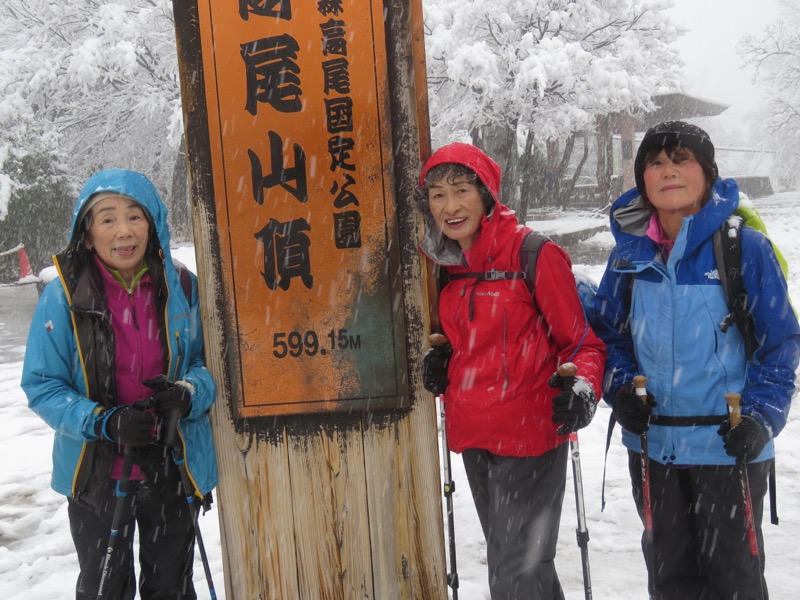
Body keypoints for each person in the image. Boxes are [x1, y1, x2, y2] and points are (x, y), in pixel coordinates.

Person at [593, 120, 800, 599]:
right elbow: (608, 334)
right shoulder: (630, 254)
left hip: (728, 448)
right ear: (642, 177)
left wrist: (760, 418)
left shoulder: (743, 248)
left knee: (735, 582)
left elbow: (780, 342)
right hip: (653, 448)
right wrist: (621, 389)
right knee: (670, 579)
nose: (668, 171)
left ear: (707, 172)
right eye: (656, 162)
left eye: (680, 159)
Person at [417, 142, 606, 599]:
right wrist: (444, 363)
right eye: (438, 194)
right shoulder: (447, 265)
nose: (450, 205)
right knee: (519, 563)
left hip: (532, 435)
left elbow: (583, 343)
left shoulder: (533, 254)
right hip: (475, 437)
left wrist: (582, 386)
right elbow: (466, 341)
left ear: (487, 195)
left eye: (462, 190)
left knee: (515, 570)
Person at [21, 169, 218, 599]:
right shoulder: (64, 297)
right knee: (104, 588)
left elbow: (209, 364)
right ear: (87, 234)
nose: (124, 230)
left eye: (135, 216)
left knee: (170, 586)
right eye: (107, 219)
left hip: (172, 462)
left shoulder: (182, 286)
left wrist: (187, 395)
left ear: (153, 225)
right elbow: (42, 385)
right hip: (99, 473)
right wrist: (103, 422)